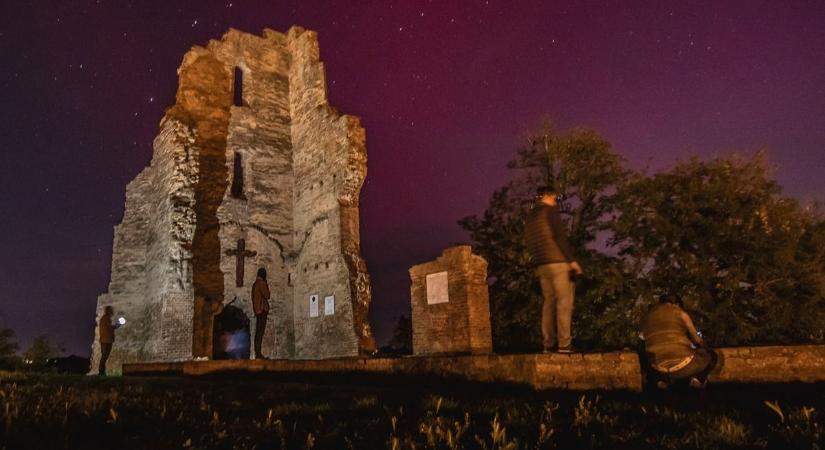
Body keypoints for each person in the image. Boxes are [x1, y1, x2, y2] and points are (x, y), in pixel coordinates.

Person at [523, 188, 583, 353]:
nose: (556, 201)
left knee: (548, 303)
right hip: (558, 262)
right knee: (564, 302)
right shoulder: (550, 211)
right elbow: (560, 237)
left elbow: (528, 241)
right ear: (547, 197)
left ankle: (547, 344)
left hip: (542, 264)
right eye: (554, 198)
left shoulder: (530, 217)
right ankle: (564, 344)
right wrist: (572, 261)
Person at [641, 294, 718, 388]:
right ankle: (698, 381)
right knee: (712, 356)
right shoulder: (680, 313)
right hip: (681, 367)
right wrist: (704, 348)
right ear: (677, 304)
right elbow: (697, 341)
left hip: (657, 368)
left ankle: (663, 381)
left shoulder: (648, 316)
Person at [251, 267, 271, 360]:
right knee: (260, 332)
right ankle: (258, 354)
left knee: (258, 333)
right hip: (262, 309)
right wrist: (266, 284)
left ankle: (257, 354)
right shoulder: (261, 283)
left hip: (257, 310)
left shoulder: (255, 284)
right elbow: (267, 295)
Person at [97, 306, 120, 375]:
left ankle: (102, 371)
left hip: (105, 340)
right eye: (110, 310)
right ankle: (101, 372)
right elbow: (110, 328)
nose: (112, 311)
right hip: (106, 340)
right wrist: (117, 325)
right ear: (107, 311)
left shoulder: (105, 318)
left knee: (104, 356)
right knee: (104, 356)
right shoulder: (106, 318)